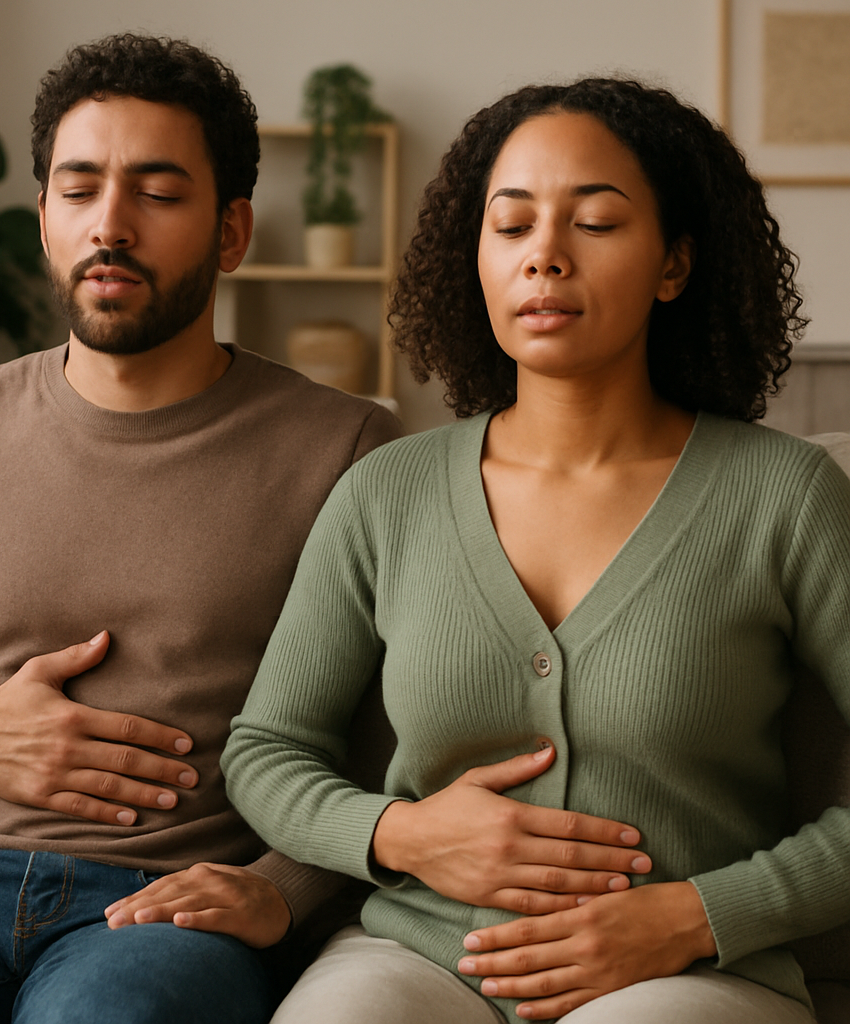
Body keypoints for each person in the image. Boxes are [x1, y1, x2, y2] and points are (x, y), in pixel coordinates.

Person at [222, 78, 850, 1023]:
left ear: (673, 264)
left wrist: (698, 915)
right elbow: (268, 748)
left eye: (595, 224)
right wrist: (401, 834)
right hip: (417, 954)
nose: (545, 257)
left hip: (687, 976)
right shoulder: (386, 493)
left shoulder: (785, 497)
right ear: (473, 258)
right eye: (510, 226)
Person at [0, 33, 409, 1024]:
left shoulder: (347, 448)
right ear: (45, 217)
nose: (111, 224)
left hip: (165, 906)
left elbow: (395, 740)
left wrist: (282, 886)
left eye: (158, 192)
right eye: (79, 187)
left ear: (232, 232)